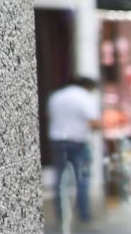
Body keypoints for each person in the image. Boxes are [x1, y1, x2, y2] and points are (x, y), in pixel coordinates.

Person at [43, 73, 101, 225]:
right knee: (82, 178)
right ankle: (84, 216)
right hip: (78, 140)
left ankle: (61, 216)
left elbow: (49, 115)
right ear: (88, 87)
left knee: (59, 179)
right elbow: (93, 122)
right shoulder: (85, 98)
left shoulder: (56, 96)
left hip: (57, 139)